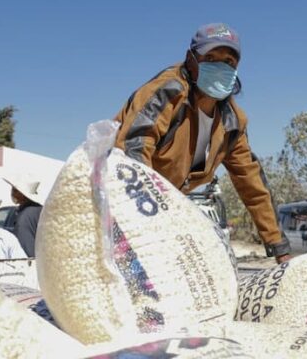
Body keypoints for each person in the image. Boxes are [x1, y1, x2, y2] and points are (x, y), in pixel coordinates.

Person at [114, 23, 291, 263]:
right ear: (191, 60)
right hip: (120, 198)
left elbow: (252, 184)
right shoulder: (167, 93)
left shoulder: (232, 122)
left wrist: (279, 247)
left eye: (228, 62)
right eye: (210, 58)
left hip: (160, 206)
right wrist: (144, 225)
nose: (220, 67)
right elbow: (133, 151)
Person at [3, 176, 42, 257]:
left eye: (15, 190)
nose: (12, 193)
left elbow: (27, 253)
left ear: (22, 194)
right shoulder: (40, 210)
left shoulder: (25, 216)